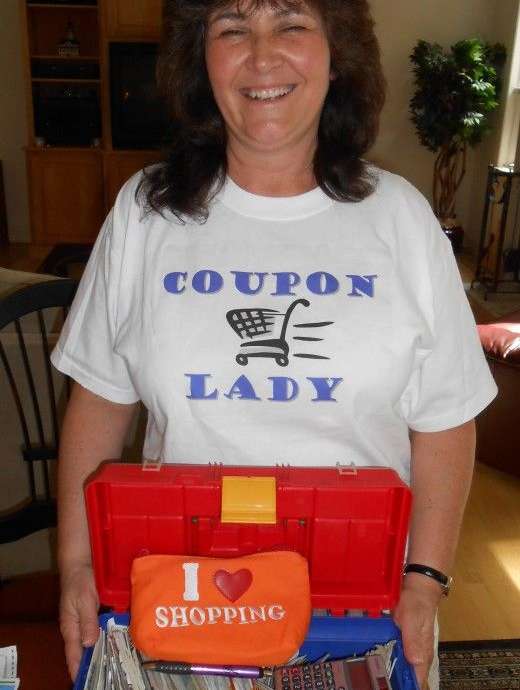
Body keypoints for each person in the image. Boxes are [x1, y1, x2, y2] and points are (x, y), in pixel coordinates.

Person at [51, 0, 497, 688]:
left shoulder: (401, 218)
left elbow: (446, 418)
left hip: (359, 611)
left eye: (291, 23)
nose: (262, 55)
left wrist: (425, 580)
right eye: (233, 28)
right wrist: (78, 565)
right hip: (185, 603)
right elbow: (99, 401)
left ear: (336, 52)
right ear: (201, 58)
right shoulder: (145, 212)